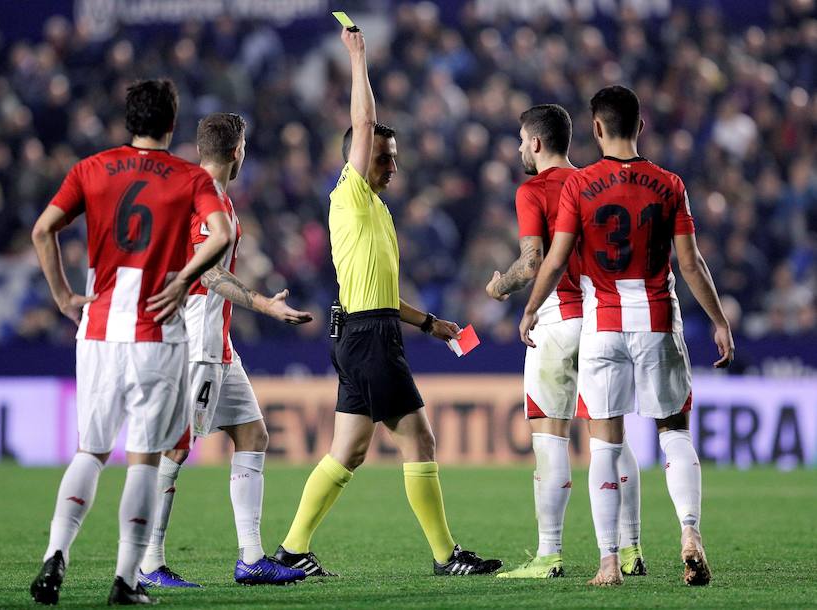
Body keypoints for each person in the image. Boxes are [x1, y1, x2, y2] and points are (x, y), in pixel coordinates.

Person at [270, 26, 501, 578]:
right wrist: (358, 57)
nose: (392, 164)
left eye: (394, 157)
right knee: (418, 436)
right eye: (385, 157)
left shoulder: (376, 208)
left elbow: (379, 292)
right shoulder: (349, 193)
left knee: (347, 450)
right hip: (367, 338)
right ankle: (447, 557)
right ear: (359, 156)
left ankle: (291, 551)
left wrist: (431, 324)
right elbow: (365, 122)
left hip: (365, 329)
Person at [29, 79, 233, 605]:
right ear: (171, 123)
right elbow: (222, 235)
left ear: (128, 121)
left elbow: (42, 229)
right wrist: (185, 277)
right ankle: (125, 579)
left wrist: (62, 296)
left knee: (91, 451)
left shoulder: (89, 169)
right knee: (143, 460)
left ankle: (56, 553)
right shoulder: (189, 177)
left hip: (96, 330)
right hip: (158, 334)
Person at [519, 85, 734, 586]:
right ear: (641, 127)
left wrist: (531, 309)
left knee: (606, 447)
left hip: (604, 325)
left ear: (596, 129)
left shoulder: (580, 184)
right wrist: (720, 321)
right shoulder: (670, 184)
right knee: (674, 434)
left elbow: (553, 260)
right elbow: (691, 263)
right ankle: (689, 533)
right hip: (659, 321)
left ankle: (609, 561)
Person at [138, 112, 312, 588]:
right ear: (238, 152)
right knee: (173, 451)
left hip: (218, 346)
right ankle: (148, 563)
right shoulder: (205, 198)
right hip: (198, 348)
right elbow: (208, 275)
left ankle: (251, 559)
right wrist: (264, 305)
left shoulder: (200, 193)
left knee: (254, 436)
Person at [486, 104, 645, 579]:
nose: (518, 148)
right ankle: (632, 550)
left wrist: (499, 286)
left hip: (556, 323)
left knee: (550, 438)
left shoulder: (532, 189)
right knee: (612, 441)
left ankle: (549, 555)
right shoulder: (597, 183)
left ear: (536, 142)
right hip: (603, 322)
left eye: (520, 140)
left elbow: (533, 262)